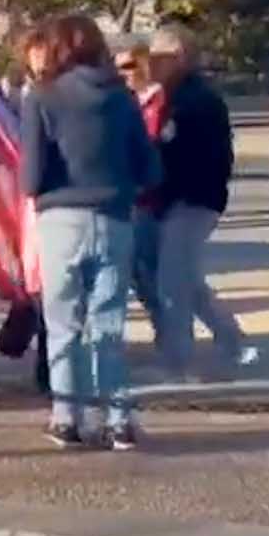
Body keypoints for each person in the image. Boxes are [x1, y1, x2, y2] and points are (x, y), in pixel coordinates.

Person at [20, 15, 159, 451]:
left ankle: (67, 417)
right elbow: (150, 168)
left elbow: (30, 177)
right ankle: (118, 420)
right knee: (109, 324)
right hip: (115, 218)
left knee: (63, 324)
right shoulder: (123, 99)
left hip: (60, 218)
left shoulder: (42, 96)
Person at [147, 26, 255, 378]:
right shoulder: (177, 95)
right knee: (188, 283)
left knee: (172, 286)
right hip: (185, 199)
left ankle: (177, 362)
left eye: (157, 57)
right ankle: (233, 341)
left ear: (177, 58)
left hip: (190, 200)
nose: (151, 65)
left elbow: (188, 156)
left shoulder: (193, 100)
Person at [111, 35, 166, 332]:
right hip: (129, 199)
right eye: (117, 67)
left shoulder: (159, 100)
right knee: (136, 274)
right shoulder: (125, 102)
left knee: (149, 273)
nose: (123, 73)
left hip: (150, 201)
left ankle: (172, 340)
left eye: (129, 66)